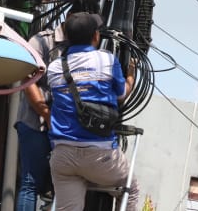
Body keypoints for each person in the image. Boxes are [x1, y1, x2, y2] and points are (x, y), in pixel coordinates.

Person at [42, 12, 138, 211]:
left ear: (66, 37)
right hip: (101, 157)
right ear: (96, 36)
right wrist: (131, 78)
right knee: (131, 188)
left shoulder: (54, 68)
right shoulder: (106, 60)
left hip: (63, 157)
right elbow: (121, 94)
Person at [14, 23, 66, 211]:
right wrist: (46, 114)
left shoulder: (82, 47)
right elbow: (28, 81)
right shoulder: (42, 41)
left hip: (64, 126)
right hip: (35, 121)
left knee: (64, 185)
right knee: (31, 182)